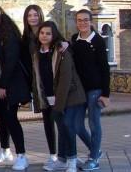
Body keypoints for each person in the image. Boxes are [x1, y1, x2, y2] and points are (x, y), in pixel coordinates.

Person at [32, 21, 86, 172]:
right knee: (61, 130)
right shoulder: (37, 53)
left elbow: (65, 79)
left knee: (67, 128)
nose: (44, 36)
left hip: (65, 98)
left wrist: (59, 104)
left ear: (53, 35)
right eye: (42, 33)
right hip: (47, 97)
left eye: (48, 33)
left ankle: (73, 160)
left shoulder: (61, 51)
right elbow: (38, 78)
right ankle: (62, 159)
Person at [0, 4, 30, 170]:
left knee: (11, 118)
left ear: (0, 16)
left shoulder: (8, 34)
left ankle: (22, 155)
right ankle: (5, 149)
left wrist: (3, 85)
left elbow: (10, 62)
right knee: (0, 117)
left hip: (10, 82)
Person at [71, 9, 111, 171]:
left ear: (91, 21)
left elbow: (104, 68)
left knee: (94, 124)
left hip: (95, 89)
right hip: (80, 90)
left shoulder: (98, 41)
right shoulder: (75, 39)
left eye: (85, 20)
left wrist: (106, 94)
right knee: (76, 125)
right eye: (79, 20)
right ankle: (96, 150)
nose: (82, 23)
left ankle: (93, 158)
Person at [22, 4, 57, 165]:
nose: (32, 18)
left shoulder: (50, 32)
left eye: (35, 15)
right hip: (38, 83)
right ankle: (53, 154)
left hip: (55, 84)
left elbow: (61, 45)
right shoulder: (26, 37)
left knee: (64, 123)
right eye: (29, 15)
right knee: (47, 121)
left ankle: (67, 155)